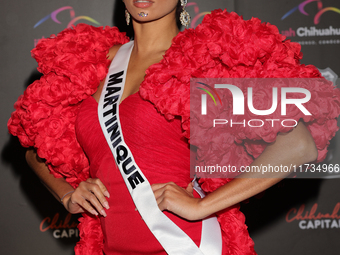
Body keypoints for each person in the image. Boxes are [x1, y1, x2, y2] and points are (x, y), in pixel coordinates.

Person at [8, 0, 340, 254]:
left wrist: (202, 206)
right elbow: (34, 149)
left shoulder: (202, 60)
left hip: (183, 243)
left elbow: (299, 144)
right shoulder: (93, 63)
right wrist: (67, 194)